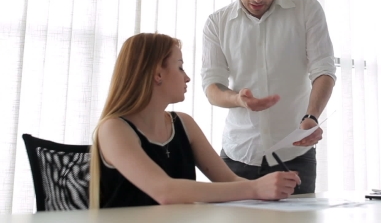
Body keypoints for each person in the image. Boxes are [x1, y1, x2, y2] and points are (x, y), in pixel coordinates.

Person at [88, 33, 300, 209]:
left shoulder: (183, 123)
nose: (187, 77)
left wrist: (270, 190)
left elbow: (230, 181)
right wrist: (255, 188)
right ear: (157, 74)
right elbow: (165, 191)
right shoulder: (113, 129)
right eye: (180, 67)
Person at [201, 0, 336, 194]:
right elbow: (212, 87)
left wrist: (311, 117)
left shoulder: (307, 10)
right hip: (237, 155)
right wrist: (238, 99)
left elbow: (324, 70)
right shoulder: (216, 23)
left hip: (294, 153)